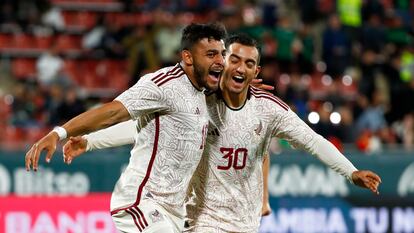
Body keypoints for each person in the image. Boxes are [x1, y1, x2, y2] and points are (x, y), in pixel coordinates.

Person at [63, 34, 381, 233]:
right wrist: (91, 141)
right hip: (200, 220)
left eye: (249, 63)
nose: (240, 68)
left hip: (245, 223)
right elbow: (140, 127)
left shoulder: (269, 109)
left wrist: (350, 171)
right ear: (223, 62)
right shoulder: (198, 99)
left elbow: (312, 141)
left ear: (257, 71)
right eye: (235, 60)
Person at [25, 22, 227, 233]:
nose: (221, 61)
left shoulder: (203, 94)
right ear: (188, 57)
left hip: (175, 210)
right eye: (211, 54)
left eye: (222, 54)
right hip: (141, 201)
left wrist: (91, 141)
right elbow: (113, 112)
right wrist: (60, 132)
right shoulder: (163, 85)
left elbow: (138, 127)